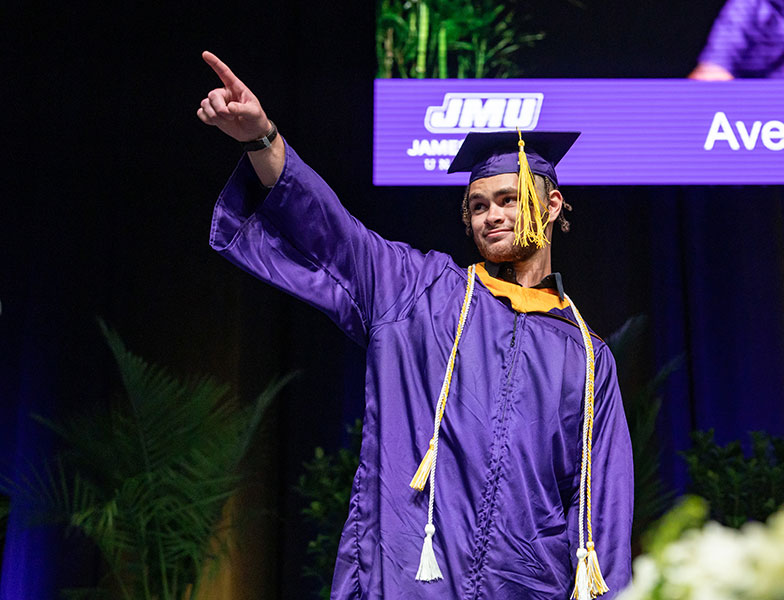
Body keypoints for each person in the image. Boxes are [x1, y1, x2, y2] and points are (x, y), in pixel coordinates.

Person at [196, 51, 633, 599]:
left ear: (551, 207)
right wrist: (263, 141)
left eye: (508, 200)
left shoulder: (588, 359)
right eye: (477, 206)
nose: (492, 216)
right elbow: (334, 234)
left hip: (525, 587)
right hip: (415, 577)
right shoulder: (421, 292)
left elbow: (602, 514)